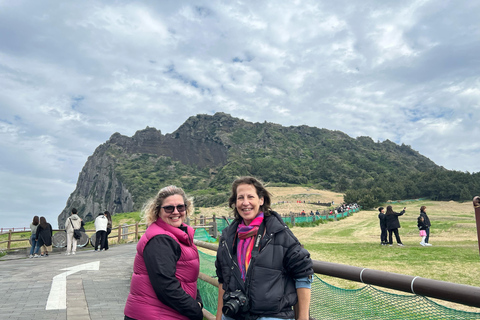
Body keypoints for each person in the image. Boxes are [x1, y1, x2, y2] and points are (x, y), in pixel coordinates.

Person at [215, 176, 313, 320]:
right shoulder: (228, 237)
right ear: (235, 203)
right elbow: (222, 280)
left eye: (250, 196)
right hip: (234, 313)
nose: (245, 203)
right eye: (240, 197)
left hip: (271, 315)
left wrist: (303, 318)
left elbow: (303, 273)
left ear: (261, 200)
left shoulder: (278, 232)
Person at [124, 185, 203, 320]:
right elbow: (165, 286)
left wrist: (197, 299)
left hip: (165, 312)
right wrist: (195, 310)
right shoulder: (160, 239)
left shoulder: (176, 235)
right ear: (157, 211)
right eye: (169, 208)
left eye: (180, 207)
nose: (176, 212)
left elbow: (184, 277)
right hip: (155, 314)